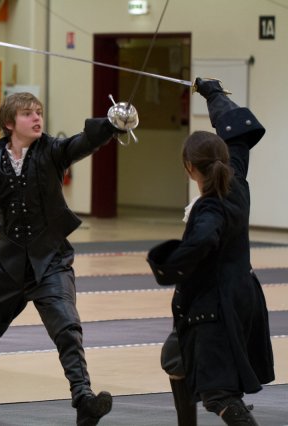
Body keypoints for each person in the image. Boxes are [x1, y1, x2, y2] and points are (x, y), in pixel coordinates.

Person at [0, 92, 124, 425]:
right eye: (28, 113)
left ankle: (83, 399)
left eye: (39, 112)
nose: (37, 118)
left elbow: (83, 142)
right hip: (5, 265)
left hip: (50, 259)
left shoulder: (53, 150)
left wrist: (112, 124)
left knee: (67, 327)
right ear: (9, 123)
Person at [147, 78, 274, 426]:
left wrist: (167, 263)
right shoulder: (236, 180)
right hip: (242, 296)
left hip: (215, 306)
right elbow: (237, 130)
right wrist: (213, 93)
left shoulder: (210, 207)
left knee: (219, 393)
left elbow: (203, 240)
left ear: (189, 168)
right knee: (176, 358)